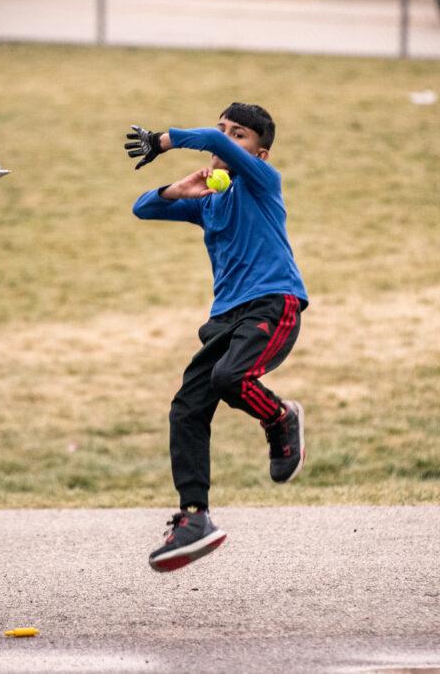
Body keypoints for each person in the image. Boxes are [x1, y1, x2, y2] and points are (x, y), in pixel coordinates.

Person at [124, 104, 309, 572]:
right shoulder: (211, 201)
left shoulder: (264, 183)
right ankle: (194, 517)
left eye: (239, 135)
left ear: (259, 153)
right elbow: (142, 208)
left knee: (231, 377)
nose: (226, 140)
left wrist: (165, 140)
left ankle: (281, 417)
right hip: (225, 318)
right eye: (225, 130)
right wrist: (177, 189)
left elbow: (210, 138)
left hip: (272, 302)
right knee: (186, 407)